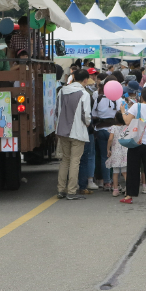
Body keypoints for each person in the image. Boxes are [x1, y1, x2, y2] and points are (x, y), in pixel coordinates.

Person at [119, 87, 146, 204]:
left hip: (136, 143)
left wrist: (123, 111)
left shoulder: (136, 106)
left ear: (142, 96)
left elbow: (127, 121)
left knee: (133, 169)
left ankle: (129, 196)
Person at [55, 69, 92, 200]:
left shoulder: (62, 91)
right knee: (75, 161)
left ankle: (61, 189)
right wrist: (87, 123)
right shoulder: (84, 93)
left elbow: (56, 111)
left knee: (65, 159)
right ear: (85, 80)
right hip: (77, 131)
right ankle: (71, 191)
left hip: (62, 130)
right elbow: (86, 115)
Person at [92, 76, 123, 192]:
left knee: (104, 156)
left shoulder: (98, 99)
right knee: (116, 156)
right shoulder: (119, 99)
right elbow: (124, 114)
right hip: (115, 131)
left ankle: (106, 182)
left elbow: (93, 114)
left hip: (101, 130)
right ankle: (115, 182)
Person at [106, 112, 128, 197]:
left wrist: (108, 149)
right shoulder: (126, 127)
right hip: (125, 152)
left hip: (115, 152)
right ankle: (128, 189)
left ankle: (115, 190)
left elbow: (110, 139)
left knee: (115, 172)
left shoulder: (113, 128)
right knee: (125, 172)